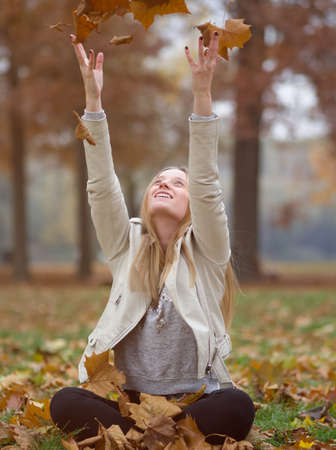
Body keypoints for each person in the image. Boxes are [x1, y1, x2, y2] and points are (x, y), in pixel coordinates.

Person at [50, 32, 255, 445]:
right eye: (158, 181)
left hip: (196, 402)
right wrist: (93, 104)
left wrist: (201, 96)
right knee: (65, 402)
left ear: (193, 200)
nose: (165, 184)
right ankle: (154, 437)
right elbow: (101, 186)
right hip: (129, 403)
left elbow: (207, 184)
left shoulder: (210, 251)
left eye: (178, 183)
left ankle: (161, 436)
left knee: (237, 406)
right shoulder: (124, 248)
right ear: (145, 198)